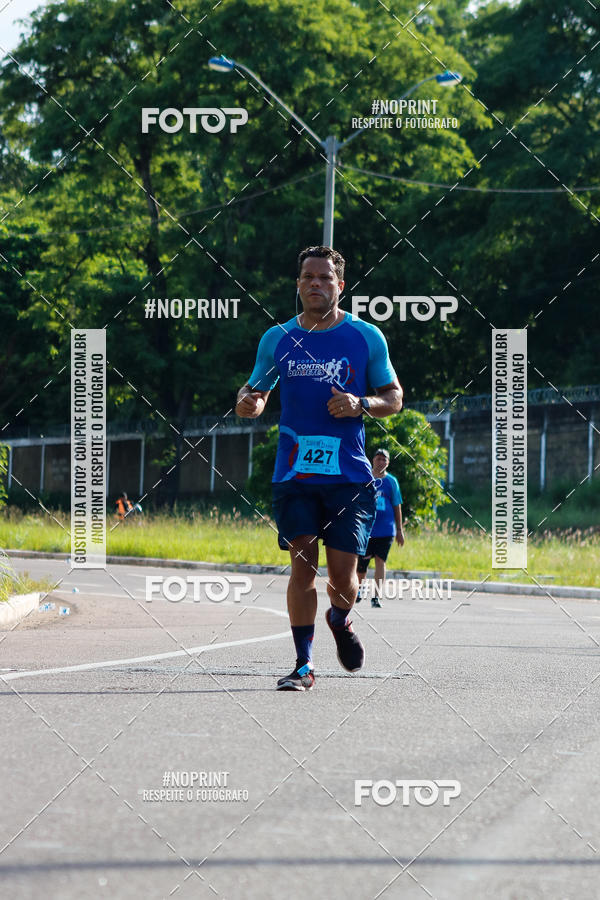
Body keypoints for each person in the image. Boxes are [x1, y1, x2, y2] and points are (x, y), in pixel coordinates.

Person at [236, 245, 402, 691]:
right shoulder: (278, 339)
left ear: (340, 286)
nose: (315, 283)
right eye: (308, 277)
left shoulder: (366, 337)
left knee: (344, 579)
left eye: (325, 278)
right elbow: (254, 391)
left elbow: (394, 397)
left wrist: (360, 403)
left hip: (348, 478)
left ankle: (340, 618)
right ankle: (303, 664)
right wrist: (249, 403)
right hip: (294, 476)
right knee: (303, 567)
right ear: (298, 284)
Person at [356, 448, 405, 608]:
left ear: (388, 462)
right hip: (366, 528)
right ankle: (359, 590)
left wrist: (399, 530)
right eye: (378, 459)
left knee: (380, 561)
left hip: (386, 530)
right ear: (373, 460)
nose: (381, 462)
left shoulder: (392, 481)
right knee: (362, 562)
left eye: (384, 459)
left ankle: (376, 596)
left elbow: (397, 505)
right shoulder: (365, 477)